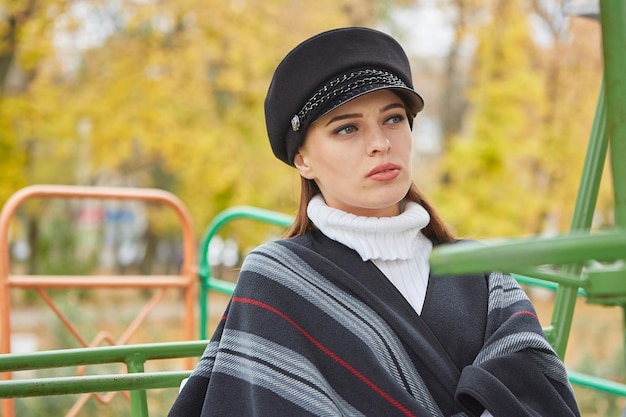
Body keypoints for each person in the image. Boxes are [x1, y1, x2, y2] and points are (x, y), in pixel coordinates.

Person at [168, 27, 580, 417]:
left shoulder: (482, 270)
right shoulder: (276, 280)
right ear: (302, 159)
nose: (381, 143)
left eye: (393, 118)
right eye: (347, 128)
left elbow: (541, 392)